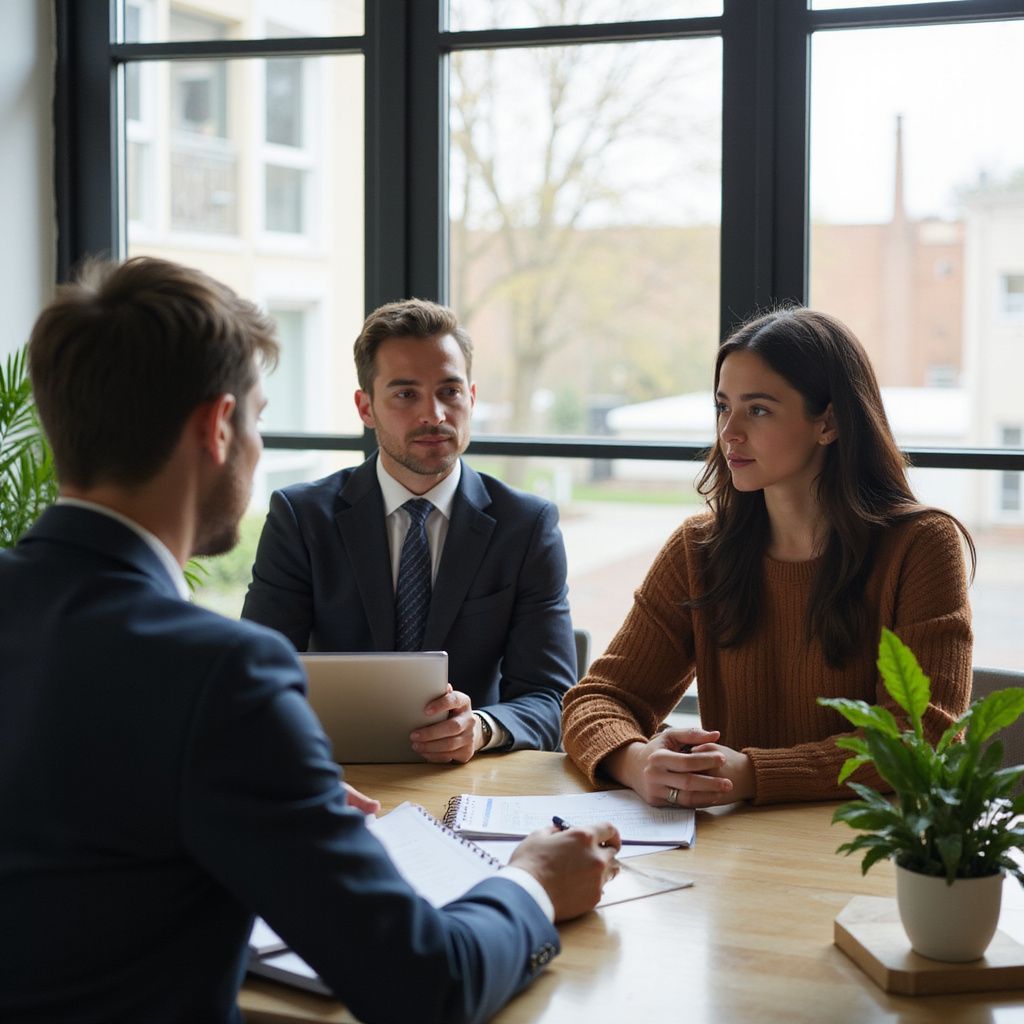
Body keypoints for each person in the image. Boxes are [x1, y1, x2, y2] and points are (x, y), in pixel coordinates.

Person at [0, 257, 619, 1024]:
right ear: (218, 428)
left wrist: (275, 787)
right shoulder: (221, 675)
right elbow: (427, 984)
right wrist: (530, 882)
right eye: (258, 417)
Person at [562, 307, 974, 808]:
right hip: (738, 852)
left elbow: (921, 736)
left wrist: (753, 774)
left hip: (869, 854)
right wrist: (636, 760)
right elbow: (597, 699)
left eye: (757, 410)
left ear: (829, 422)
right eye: (723, 406)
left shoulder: (923, 545)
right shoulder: (699, 548)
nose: (729, 432)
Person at [241, 298, 576, 761]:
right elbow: (257, 674)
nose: (434, 415)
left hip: (471, 779)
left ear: (472, 398)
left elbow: (552, 698)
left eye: (450, 392)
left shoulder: (526, 526)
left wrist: (482, 727)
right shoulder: (300, 518)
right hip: (337, 772)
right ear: (365, 407)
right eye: (405, 394)